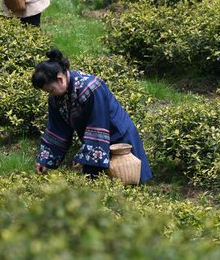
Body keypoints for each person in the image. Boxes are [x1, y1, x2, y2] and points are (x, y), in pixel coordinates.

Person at [31, 49, 152, 182]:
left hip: (118, 135)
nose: (50, 93)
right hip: (94, 142)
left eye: (51, 89)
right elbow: (57, 129)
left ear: (60, 79)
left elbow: (98, 123)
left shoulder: (90, 87)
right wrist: (44, 160)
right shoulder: (55, 98)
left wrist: (85, 156)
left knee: (129, 180)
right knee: (97, 188)